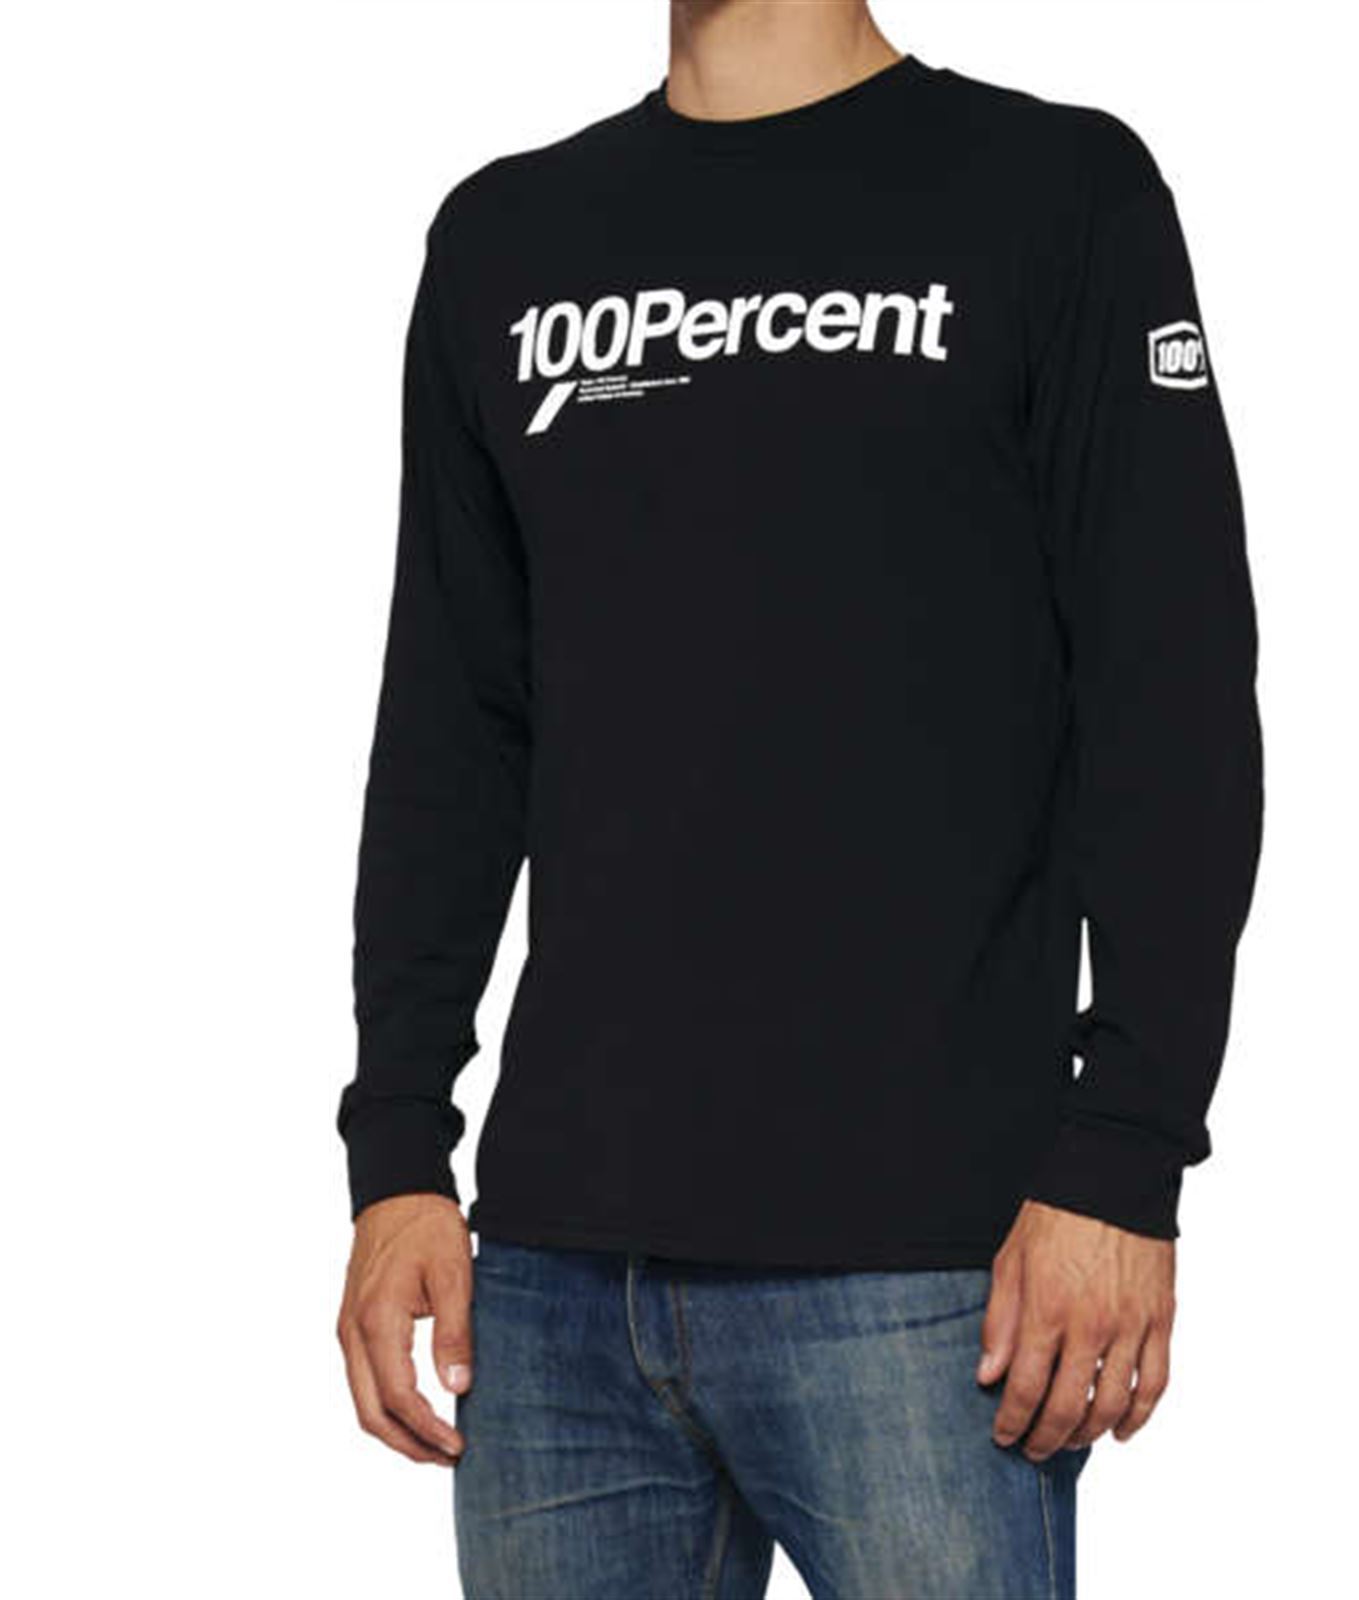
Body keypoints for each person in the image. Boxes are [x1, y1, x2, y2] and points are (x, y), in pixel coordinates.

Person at [335, 2, 1263, 1594]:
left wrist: (1125, 1154)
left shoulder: (1056, 193)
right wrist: (399, 1153)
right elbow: (451, 729)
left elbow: (1169, 701)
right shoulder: (506, 238)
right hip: (553, 1283)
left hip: (928, 1276)